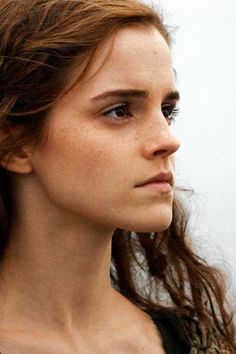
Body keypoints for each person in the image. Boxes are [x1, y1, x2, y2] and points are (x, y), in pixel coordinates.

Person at [0, 0, 235, 353]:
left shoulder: (195, 343)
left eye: (167, 111)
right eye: (119, 110)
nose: (168, 140)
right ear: (14, 145)